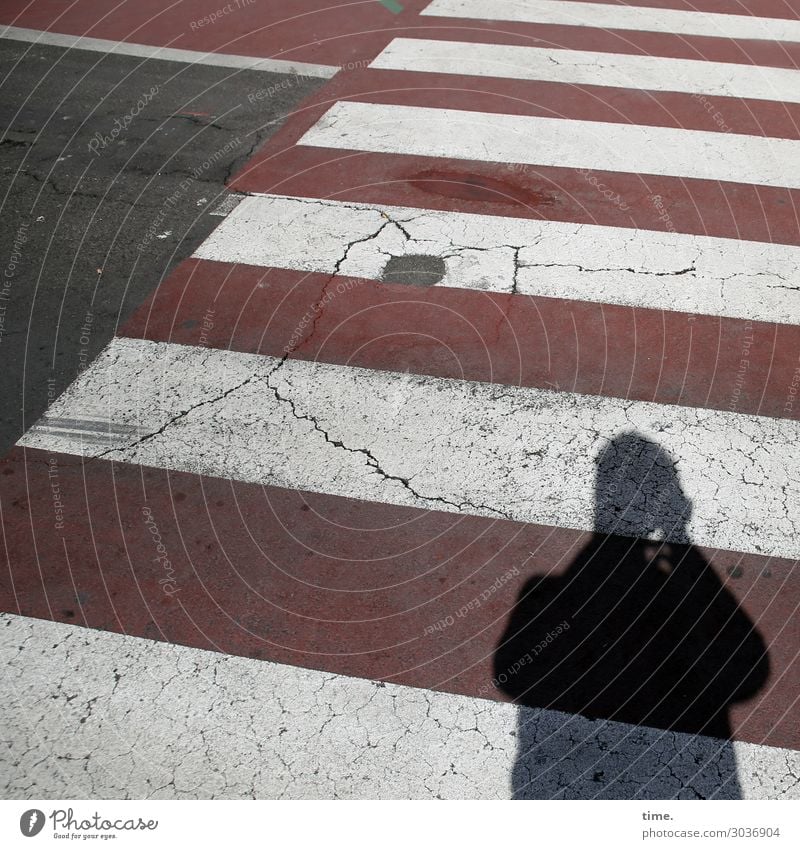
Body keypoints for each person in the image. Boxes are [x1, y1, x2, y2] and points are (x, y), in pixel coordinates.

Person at [494, 432, 769, 798]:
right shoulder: (545, 591)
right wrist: (679, 538)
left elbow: (511, 677)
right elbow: (750, 673)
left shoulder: (542, 591)